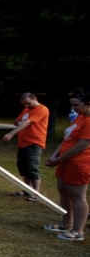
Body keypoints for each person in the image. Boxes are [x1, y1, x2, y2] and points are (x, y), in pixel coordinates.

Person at [44, 89, 90, 242]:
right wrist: (55, 156)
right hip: (65, 162)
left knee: (77, 196)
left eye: (76, 105)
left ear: (88, 104)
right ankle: (66, 223)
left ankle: (78, 231)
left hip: (79, 164)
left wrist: (59, 159)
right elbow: (67, 140)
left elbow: (80, 146)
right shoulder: (79, 118)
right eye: (72, 105)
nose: (73, 108)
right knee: (64, 191)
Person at [2, 93, 49, 200]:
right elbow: (16, 121)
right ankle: (27, 190)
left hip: (34, 142)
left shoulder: (42, 109)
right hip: (23, 142)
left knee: (32, 167)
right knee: (23, 167)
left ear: (35, 99)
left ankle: (36, 194)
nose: (26, 106)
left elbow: (28, 122)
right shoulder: (27, 110)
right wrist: (21, 123)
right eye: (24, 104)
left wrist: (11, 133)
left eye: (28, 103)